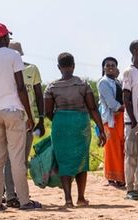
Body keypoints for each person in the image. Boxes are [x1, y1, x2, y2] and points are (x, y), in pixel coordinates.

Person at [0, 23, 40, 211]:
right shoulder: (14, 56)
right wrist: (29, 115)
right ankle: (24, 201)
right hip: (14, 111)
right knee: (16, 158)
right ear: (5, 37)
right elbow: (21, 87)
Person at [44, 53, 106, 207]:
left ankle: (68, 199)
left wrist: (60, 120)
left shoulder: (51, 87)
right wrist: (101, 129)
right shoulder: (83, 84)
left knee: (63, 161)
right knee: (81, 160)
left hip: (61, 124)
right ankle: (81, 198)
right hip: (80, 124)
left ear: (58, 67)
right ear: (73, 65)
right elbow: (92, 108)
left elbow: (48, 112)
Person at [3, 40, 44, 208]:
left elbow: (39, 95)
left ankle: (20, 193)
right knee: (9, 159)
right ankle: (11, 195)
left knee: (22, 159)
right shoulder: (2, 71)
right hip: (9, 119)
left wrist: (40, 119)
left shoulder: (31, 69)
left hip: (29, 121)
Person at [121, 40, 138, 201]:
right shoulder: (128, 72)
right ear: (136, 51)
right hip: (132, 122)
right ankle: (130, 188)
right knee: (131, 155)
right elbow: (126, 97)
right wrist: (133, 120)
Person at [97, 57, 125, 187]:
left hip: (121, 118)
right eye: (107, 65)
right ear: (103, 68)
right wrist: (127, 107)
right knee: (112, 148)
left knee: (121, 147)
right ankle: (113, 176)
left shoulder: (117, 81)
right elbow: (111, 103)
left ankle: (121, 176)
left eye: (113, 65)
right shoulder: (103, 82)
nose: (110, 67)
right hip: (111, 119)